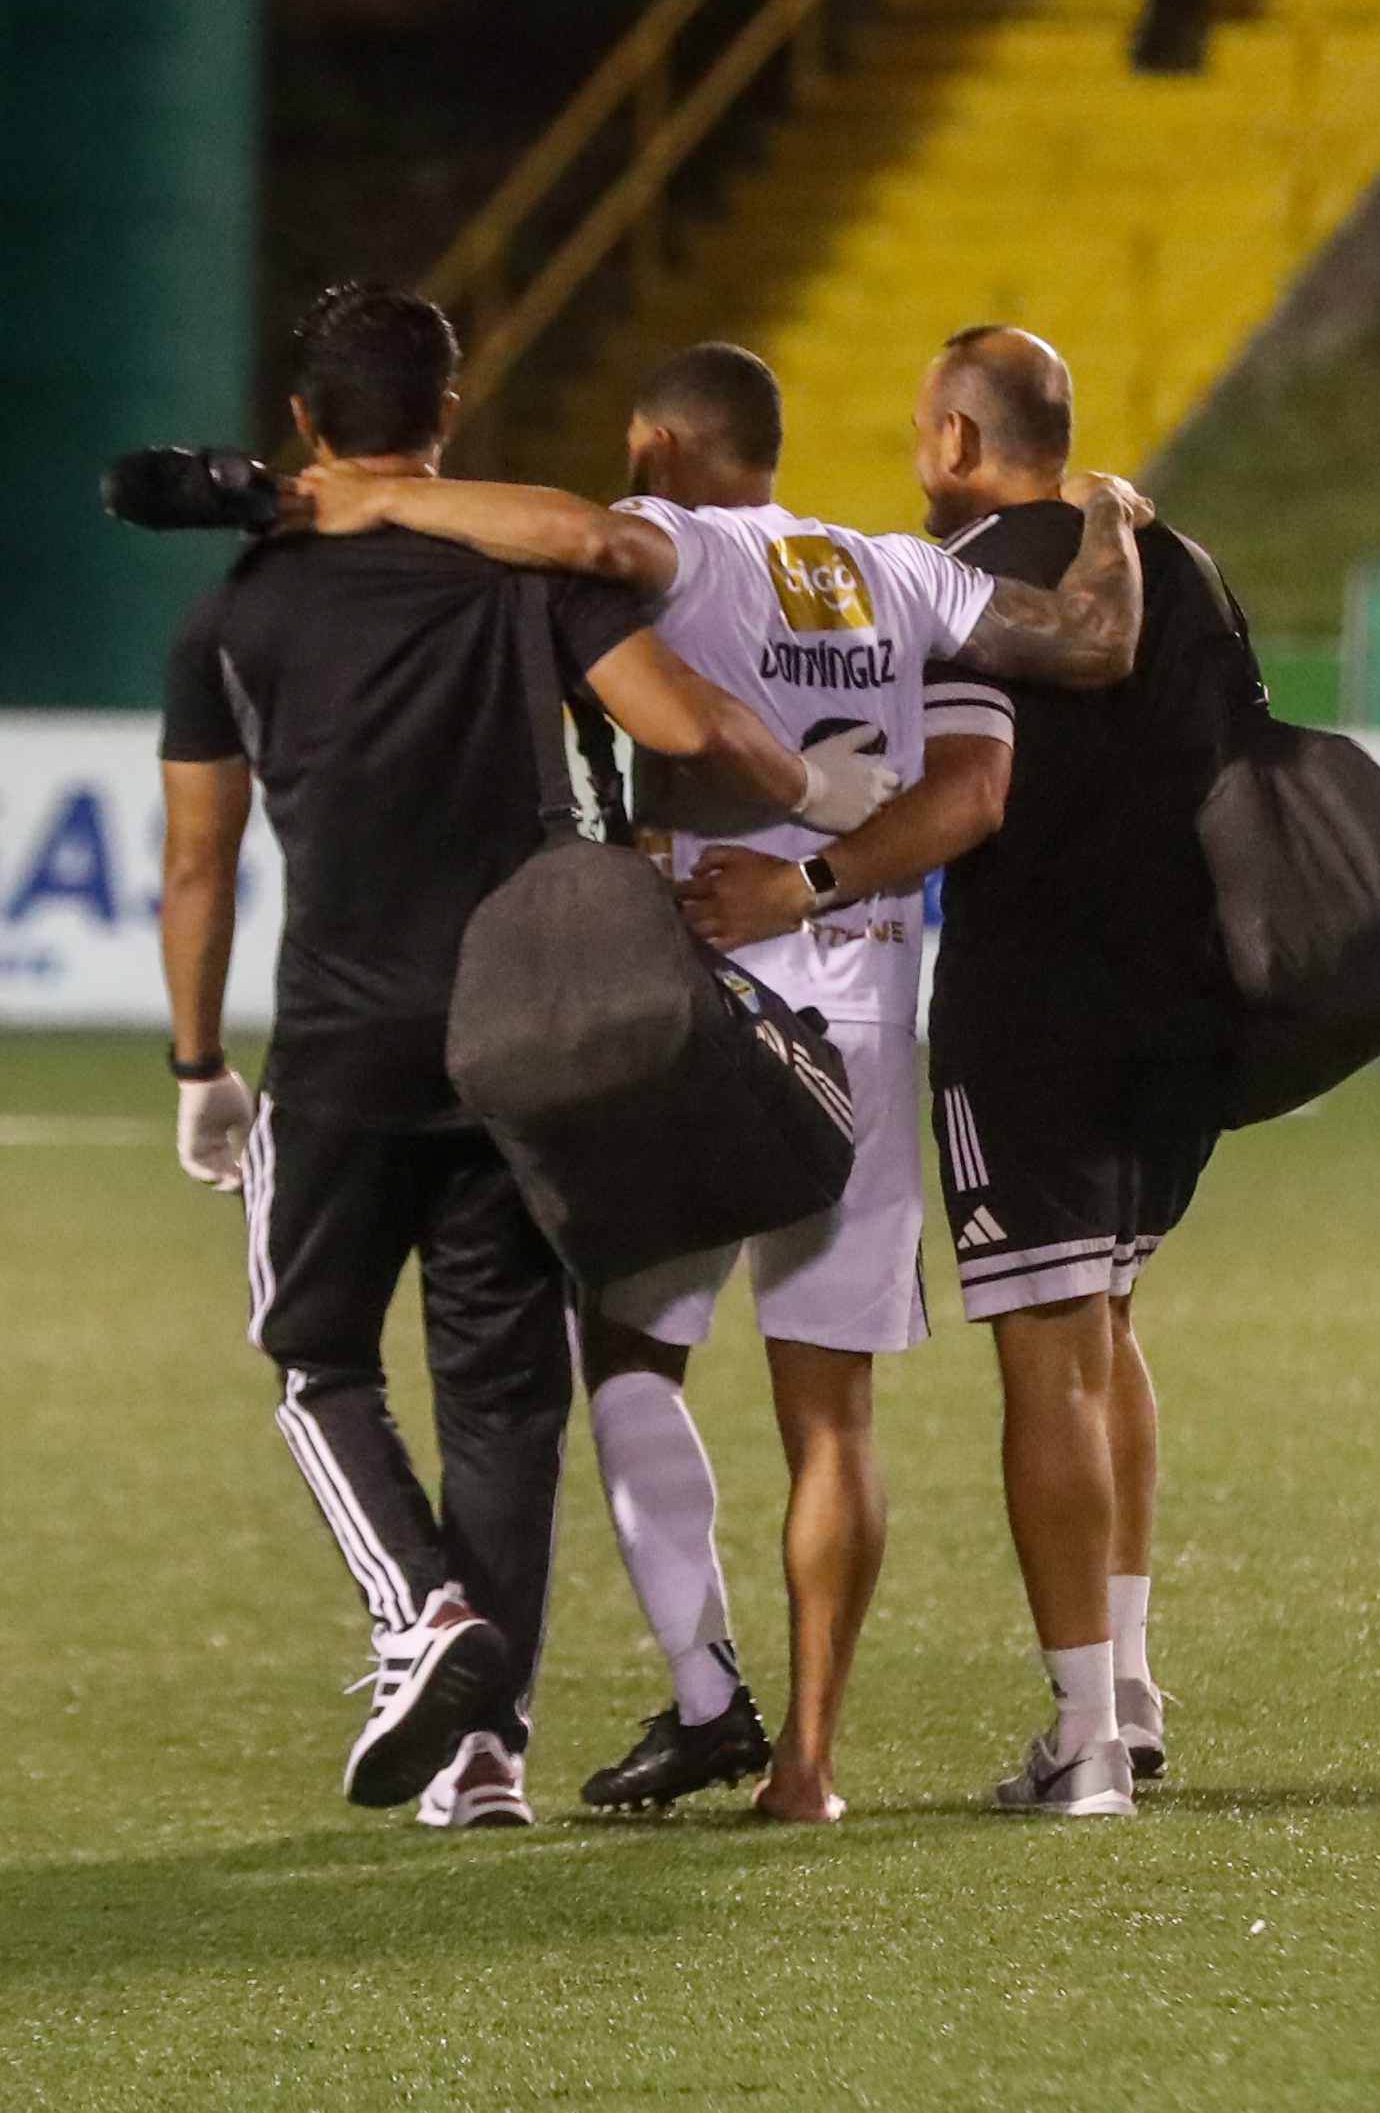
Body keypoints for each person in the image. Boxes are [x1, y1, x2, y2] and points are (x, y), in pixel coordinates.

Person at [300, 341, 1151, 1823]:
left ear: (658, 443)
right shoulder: (897, 570)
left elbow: (573, 539)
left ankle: (707, 1688)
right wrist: (1115, 522)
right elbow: (1091, 644)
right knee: (832, 1417)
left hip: (698, 1009)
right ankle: (807, 1767)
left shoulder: (677, 543)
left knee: (631, 1356)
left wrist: (375, 499)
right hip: (868, 1004)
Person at [157, 287, 896, 1830]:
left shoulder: (238, 609)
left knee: (316, 1361)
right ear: (447, 414)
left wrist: (198, 1064)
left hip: (343, 1040)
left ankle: (422, 1617)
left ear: (304, 422)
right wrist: (812, 794)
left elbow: (197, 861)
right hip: (523, 1036)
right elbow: (685, 724)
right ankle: (485, 1756)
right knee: (503, 1400)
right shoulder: (521, 576)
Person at [685, 326, 1263, 1818]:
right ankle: (1127, 1690)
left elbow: (971, 792)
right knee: (1107, 1329)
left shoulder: (966, 583)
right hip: (1181, 1002)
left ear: (954, 437)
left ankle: (1084, 1740)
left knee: (1048, 1354)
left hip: (1041, 1007)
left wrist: (804, 883)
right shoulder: (1182, 561)